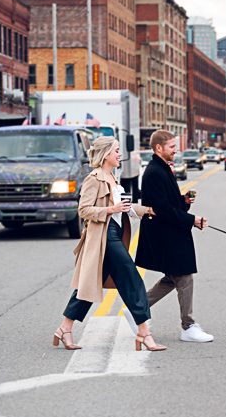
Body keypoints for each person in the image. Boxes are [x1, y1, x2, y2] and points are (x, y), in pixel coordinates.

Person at [53, 136, 166, 352]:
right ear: (106, 154)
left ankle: (64, 328)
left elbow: (123, 207)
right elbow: (83, 210)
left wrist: (146, 210)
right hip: (105, 236)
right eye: (116, 151)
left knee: (88, 287)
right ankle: (144, 333)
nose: (119, 155)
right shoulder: (94, 179)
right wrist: (110, 210)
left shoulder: (114, 178)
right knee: (132, 279)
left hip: (115, 233)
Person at [135, 130, 214, 342]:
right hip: (165, 234)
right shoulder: (154, 172)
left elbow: (168, 203)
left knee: (173, 277)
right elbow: (161, 209)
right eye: (171, 146)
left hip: (169, 232)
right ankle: (188, 326)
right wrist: (192, 220)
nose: (175, 150)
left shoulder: (162, 168)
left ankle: (138, 309)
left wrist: (184, 201)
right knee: (184, 276)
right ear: (159, 148)